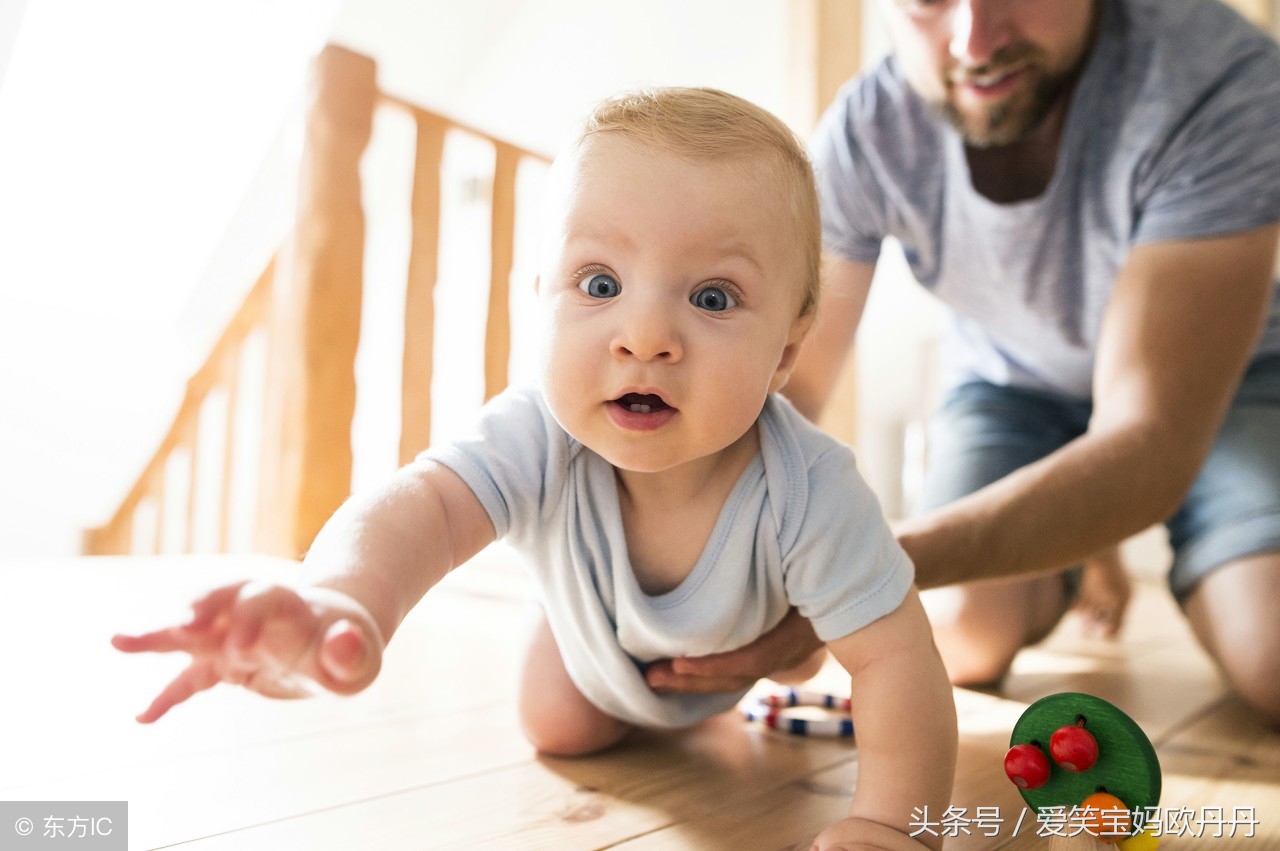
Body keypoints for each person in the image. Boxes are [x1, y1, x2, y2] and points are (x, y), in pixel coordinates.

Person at [113, 87, 957, 850]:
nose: (644, 335)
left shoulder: (810, 485)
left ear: (788, 348)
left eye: (711, 298)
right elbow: (427, 506)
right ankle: (567, 615)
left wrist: (893, 823)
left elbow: (895, 662)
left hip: (750, 640)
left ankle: (794, 641)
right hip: (595, 645)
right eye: (599, 283)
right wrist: (346, 596)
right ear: (539, 294)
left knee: (822, 641)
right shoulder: (539, 432)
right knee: (554, 724)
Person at [644, 0, 1280, 727]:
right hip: (1011, 385)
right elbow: (784, 393)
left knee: (1273, 653)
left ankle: (1097, 534)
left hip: (1229, 385)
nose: (976, 41)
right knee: (962, 636)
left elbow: (1147, 438)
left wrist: (854, 567)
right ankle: (1078, 550)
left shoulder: (1222, 81)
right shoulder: (867, 129)